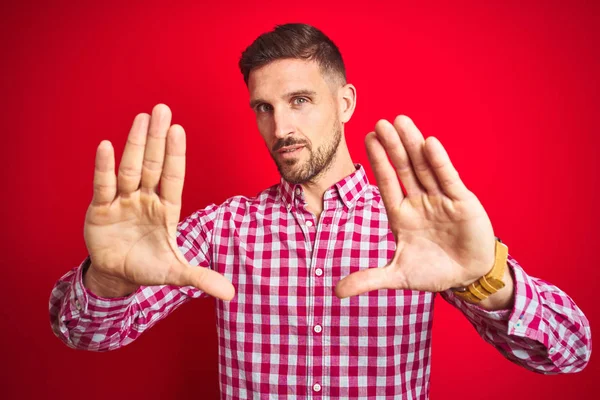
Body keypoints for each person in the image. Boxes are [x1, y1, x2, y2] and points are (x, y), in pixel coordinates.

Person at [49, 23, 591, 399]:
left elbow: (569, 352)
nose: (280, 126)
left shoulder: (418, 226)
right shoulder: (223, 229)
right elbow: (81, 333)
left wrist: (485, 279)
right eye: (264, 107)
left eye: (300, 100)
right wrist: (110, 280)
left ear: (346, 103)